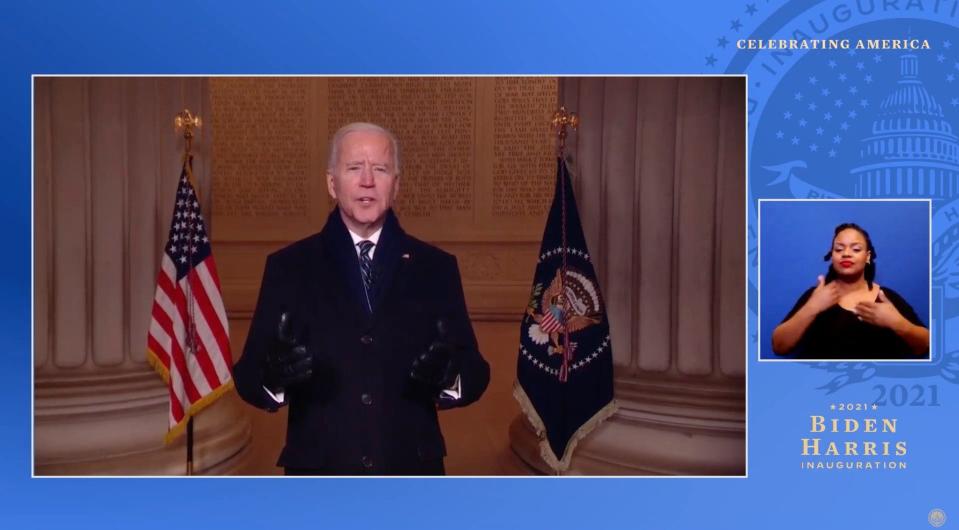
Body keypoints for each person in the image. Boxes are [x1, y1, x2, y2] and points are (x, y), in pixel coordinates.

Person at [233, 122, 490, 475]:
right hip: (320, 476)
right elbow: (248, 376)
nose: (367, 180)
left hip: (410, 473)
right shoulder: (288, 267)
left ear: (395, 185)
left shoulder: (436, 268)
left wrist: (450, 376)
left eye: (380, 169)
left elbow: (476, 373)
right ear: (332, 183)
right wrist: (273, 377)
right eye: (354, 168)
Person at [771, 222, 929, 360]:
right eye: (839, 249)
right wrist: (811, 308)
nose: (846, 254)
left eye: (856, 249)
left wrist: (898, 323)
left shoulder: (886, 298)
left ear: (867, 257)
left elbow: (926, 347)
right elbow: (779, 346)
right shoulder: (815, 296)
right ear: (832, 256)